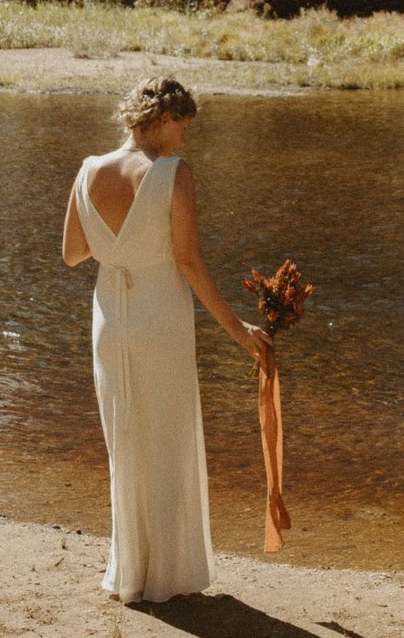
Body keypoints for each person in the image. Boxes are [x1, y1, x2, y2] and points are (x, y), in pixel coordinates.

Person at [62, 76, 273, 603]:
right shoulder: (172, 175)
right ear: (159, 118)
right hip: (159, 316)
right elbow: (188, 262)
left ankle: (130, 574)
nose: (184, 138)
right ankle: (170, 577)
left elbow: (72, 253)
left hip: (110, 317)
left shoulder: (88, 170)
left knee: (126, 441)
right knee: (169, 438)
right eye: (182, 125)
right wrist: (239, 331)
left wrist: (119, 246)